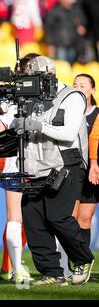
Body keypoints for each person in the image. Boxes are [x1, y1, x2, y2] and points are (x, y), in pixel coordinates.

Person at [10, 55, 95, 285]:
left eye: (33, 78)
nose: (28, 84)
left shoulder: (72, 96)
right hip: (35, 166)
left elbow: (67, 134)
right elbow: (19, 129)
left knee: (57, 217)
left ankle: (82, 258)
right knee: (33, 219)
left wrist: (36, 125)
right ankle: (52, 272)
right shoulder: (30, 99)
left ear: (48, 76)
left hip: (65, 163)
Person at [0, 53, 40, 284]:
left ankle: (13, 267)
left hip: (13, 162)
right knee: (42, 216)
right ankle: (59, 269)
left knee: (14, 216)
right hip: (40, 162)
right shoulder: (44, 98)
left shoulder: (6, 101)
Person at [57, 73, 98, 278]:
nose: (78, 88)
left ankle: (82, 264)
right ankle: (65, 264)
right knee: (67, 218)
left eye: (83, 85)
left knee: (84, 220)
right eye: (75, 85)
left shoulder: (97, 114)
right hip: (72, 171)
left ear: (92, 90)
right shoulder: (67, 111)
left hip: (92, 174)